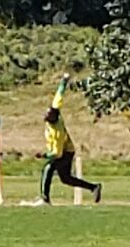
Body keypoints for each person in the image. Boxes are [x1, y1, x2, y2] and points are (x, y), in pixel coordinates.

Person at [33, 74, 102, 206]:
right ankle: (94, 187)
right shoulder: (55, 111)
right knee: (66, 179)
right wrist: (64, 82)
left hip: (65, 152)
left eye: (48, 114)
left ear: (54, 118)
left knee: (48, 168)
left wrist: (43, 155)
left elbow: (56, 153)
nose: (45, 115)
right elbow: (59, 94)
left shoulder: (57, 132)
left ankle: (45, 199)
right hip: (64, 151)